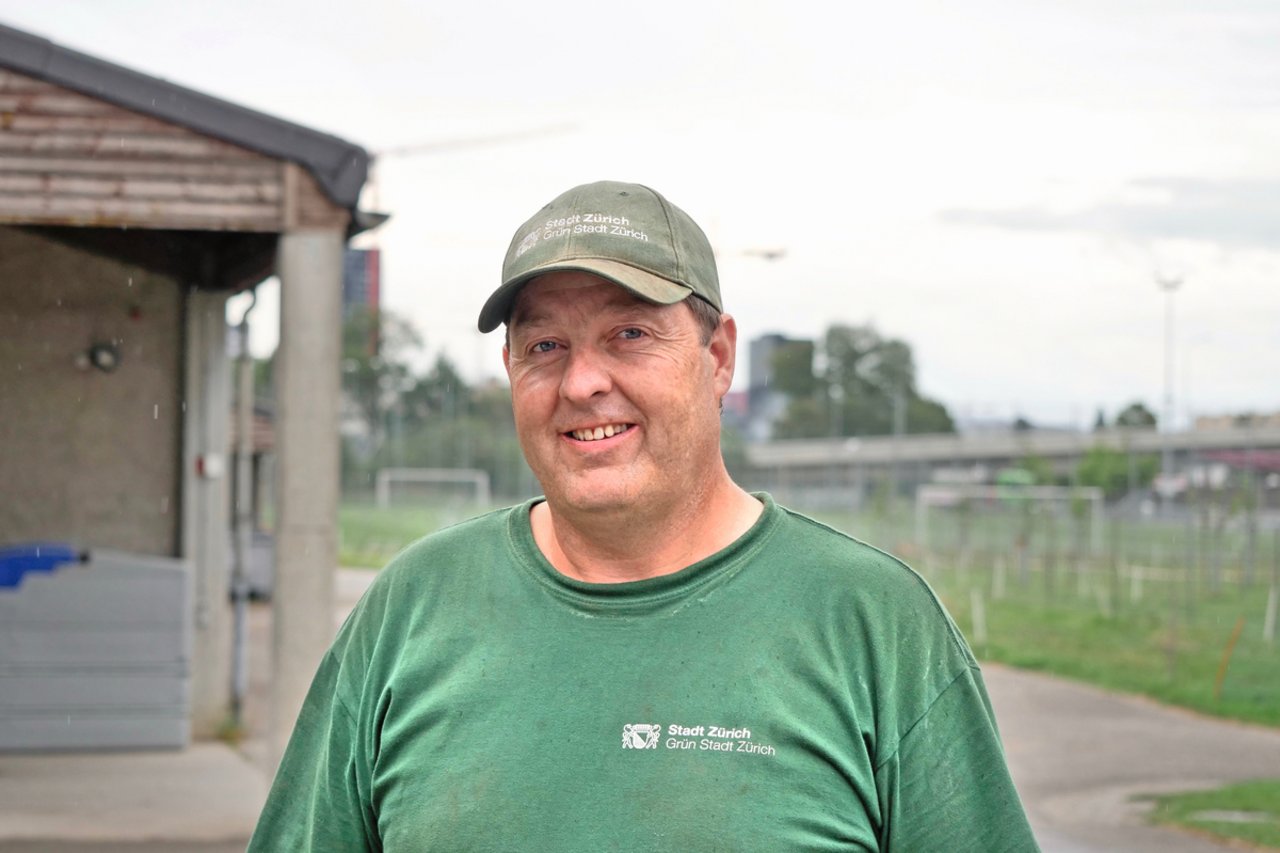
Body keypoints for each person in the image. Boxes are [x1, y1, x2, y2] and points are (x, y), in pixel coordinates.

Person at [248, 180, 1039, 851]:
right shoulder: (412, 608)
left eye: (629, 333)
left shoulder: (873, 621)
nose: (582, 382)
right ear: (510, 370)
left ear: (718, 356)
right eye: (546, 345)